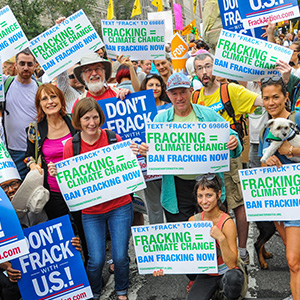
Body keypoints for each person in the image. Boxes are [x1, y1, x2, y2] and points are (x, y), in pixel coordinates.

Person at [55, 97, 137, 300]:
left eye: (95, 117)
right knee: (96, 259)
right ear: (78, 121)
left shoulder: (112, 138)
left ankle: (121, 289)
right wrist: (57, 173)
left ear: (100, 118)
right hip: (91, 212)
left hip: (120, 206)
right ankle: (93, 291)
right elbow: (69, 181)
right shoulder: (71, 146)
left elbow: (127, 167)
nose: (91, 123)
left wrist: (134, 154)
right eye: (86, 118)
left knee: (119, 257)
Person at [139, 73, 242, 223]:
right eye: (174, 93)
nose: (179, 98)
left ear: (191, 91)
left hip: (207, 183)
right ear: (168, 94)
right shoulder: (160, 120)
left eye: (183, 92)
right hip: (177, 187)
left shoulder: (207, 115)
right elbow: (156, 158)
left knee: (214, 234)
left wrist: (234, 141)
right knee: (183, 237)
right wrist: (147, 154)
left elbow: (232, 137)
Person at [192, 52, 263, 264]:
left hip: (229, 159)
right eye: (199, 68)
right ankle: (217, 255)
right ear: (194, 72)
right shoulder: (195, 97)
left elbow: (261, 101)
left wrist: (268, 85)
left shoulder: (229, 90)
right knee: (211, 206)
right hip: (204, 161)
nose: (205, 72)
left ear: (216, 67)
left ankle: (241, 250)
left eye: (208, 66)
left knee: (238, 204)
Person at [154, 174, 245, 300]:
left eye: (209, 195)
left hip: (226, 272)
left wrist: (221, 239)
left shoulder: (227, 222)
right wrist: (164, 267)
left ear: (218, 195)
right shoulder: (193, 221)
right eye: (200, 196)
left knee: (233, 278)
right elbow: (183, 253)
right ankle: (214, 293)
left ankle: (229, 295)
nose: (204, 201)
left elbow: (231, 264)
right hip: (206, 274)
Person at [259, 76, 300, 300]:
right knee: (293, 256)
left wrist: (291, 151)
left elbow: (288, 149)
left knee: (293, 260)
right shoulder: (267, 127)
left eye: (276, 96)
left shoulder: (297, 118)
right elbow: (261, 160)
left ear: (286, 97)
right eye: (266, 98)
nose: (271, 102)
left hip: (297, 198)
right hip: (278, 198)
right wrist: (267, 161)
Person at [25, 83, 76, 219]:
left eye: (53, 97)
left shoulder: (74, 122)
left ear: (61, 99)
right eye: (44, 99)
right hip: (53, 193)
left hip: (79, 187)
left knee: (83, 232)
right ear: (39, 104)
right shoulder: (34, 130)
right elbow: (28, 156)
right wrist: (32, 165)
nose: (50, 102)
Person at [2, 48, 40, 180]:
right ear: (15, 65)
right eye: (22, 63)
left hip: (36, 153)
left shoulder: (41, 89)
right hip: (12, 152)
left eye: (30, 64)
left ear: (35, 66)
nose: (26, 67)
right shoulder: (5, 83)